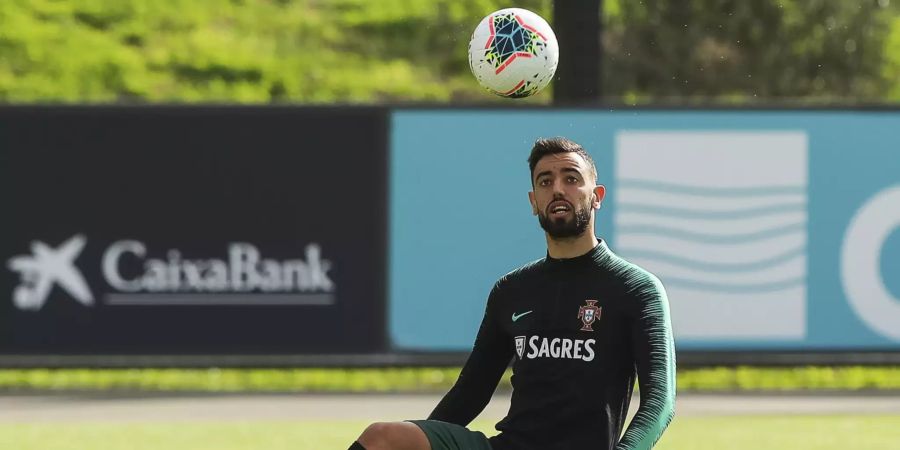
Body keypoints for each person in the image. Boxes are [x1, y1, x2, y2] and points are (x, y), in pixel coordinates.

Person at [349, 137, 676, 450]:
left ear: (596, 196)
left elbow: (660, 402)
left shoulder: (635, 287)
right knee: (384, 437)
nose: (558, 189)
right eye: (545, 182)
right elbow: (470, 394)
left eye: (571, 178)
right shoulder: (512, 290)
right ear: (534, 202)